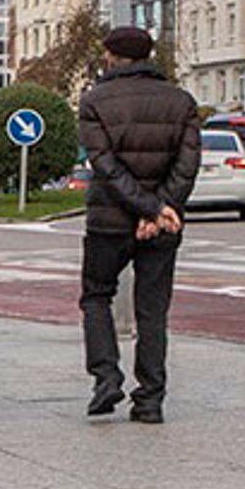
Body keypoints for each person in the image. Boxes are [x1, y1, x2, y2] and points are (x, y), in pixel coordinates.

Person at [77, 25, 202, 424]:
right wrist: (161, 208)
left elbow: (106, 166)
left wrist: (145, 207)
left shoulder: (95, 101)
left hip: (108, 221)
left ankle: (106, 375)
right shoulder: (181, 102)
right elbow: (188, 165)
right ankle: (150, 399)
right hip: (163, 223)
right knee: (152, 311)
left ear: (112, 57)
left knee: (96, 295)